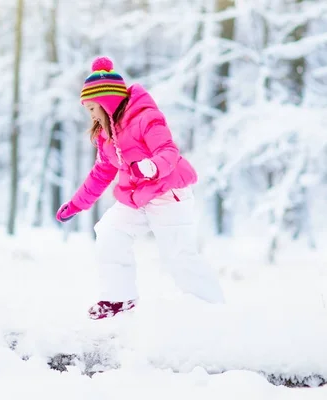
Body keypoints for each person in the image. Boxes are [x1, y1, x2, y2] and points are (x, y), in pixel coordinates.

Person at [56, 56, 225, 320]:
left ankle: (215, 310)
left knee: (178, 256)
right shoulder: (106, 135)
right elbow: (101, 172)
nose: (90, 115)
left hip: (169, 195)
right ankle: (119, 298)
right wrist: (77, 204)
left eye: (91, 108)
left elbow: (168, 152)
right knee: (110, 231)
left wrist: (149, 167)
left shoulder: (146, 117)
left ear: (106, 101)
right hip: (136, 198)